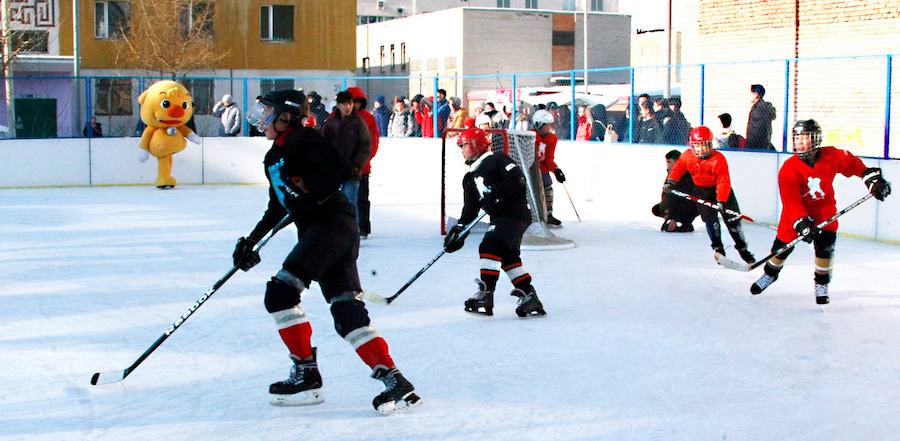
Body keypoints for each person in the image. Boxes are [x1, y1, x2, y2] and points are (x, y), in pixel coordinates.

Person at [237, 89, 420, 413]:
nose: (261, 119)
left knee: (280, 293)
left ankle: (306, 373)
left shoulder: (304, 139)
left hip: (331, 226)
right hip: (329, 231)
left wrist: (311, 190)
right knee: (346, 311)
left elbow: (339, 168)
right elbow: (277, 206)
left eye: (267, 113)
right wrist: (251, 242)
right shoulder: (273, 157)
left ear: (286, 116)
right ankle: (395, 380)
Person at [749, 119, 891, 304]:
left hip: (824, 211)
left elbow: (854, 165)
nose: (799, 142)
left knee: (825, 249)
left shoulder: (831, 155)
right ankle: (770, 274)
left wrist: (871, 179)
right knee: (780, 250)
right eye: (797, 137)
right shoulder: (788, 169)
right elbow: (791, 201)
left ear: (815, 139)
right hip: (795, 214)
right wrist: (801, 222)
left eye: (804, 137)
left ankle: (821, 284)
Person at [444, 127, 547, 318]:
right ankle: (529, 296)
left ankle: (486, 293)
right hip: (501, 218)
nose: (462, 149)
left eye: (464, 145)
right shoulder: (469, 177)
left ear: (476, 144)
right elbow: (470, 208)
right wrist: (460, 228)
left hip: (514, 214)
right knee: (508, 257)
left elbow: (517, 179)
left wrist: (497, 195)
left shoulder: (497, 159)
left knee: (490, 245)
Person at [664, 126, 755, 263]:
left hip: (722, 192)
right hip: (702, 192)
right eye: (697, 146)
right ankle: (718, 249)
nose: (700, 149)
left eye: (704, 145)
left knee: (732, 220)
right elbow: (678, 169)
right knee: (711, 221)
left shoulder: (719, 159)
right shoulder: (687, 156)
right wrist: (670, 182)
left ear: (710, 144)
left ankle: (742, 249)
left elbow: (723, 182)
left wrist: (722, 200)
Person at [321, 91, 372, 223]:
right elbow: (323, 144)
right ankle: (336, 232)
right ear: (338, 105)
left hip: (351, 171)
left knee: (350, 204)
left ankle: (352, 234)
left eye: (349, 103)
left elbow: (365, 146)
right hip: (334, 171)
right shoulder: (331, 122)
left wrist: (357, 164)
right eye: (344, 104)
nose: (347, 107)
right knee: (333, 204)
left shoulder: (358, 123)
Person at [346, 86, 380, 239]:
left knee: (361, 199)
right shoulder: (337, 117)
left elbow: (373, 140)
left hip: (362, 167)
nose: (355, 105)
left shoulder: (367, 118)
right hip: (343, 167)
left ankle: (363, 227)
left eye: (357, 102)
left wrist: (364, 159)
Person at [532, 109, 565, 227]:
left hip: (542, 169)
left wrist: (556, 170)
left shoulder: (552, 138)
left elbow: (549, 158)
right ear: (539, 125)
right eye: (547, 125)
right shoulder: (530, 136)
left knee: (548, 188)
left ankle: (548, 214)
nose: (550, 127)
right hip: (529, 169)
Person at [652, 150, 697, 232]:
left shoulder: (687, 176)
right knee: (657, 209)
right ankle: (673, 219)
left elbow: (685, 198)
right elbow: (666, 194)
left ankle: (683, 222)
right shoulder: (671, 173)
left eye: (669, 162)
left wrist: (673, 217)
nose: (667, 165)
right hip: (675, 204)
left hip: (688, 205)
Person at [746, 84, 776, 150]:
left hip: (756, 147)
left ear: (756, 94)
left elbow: (756, 130)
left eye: (751, 93)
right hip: (762, 146)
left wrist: (749, 146)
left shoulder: (759, 109)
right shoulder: (761, 107)